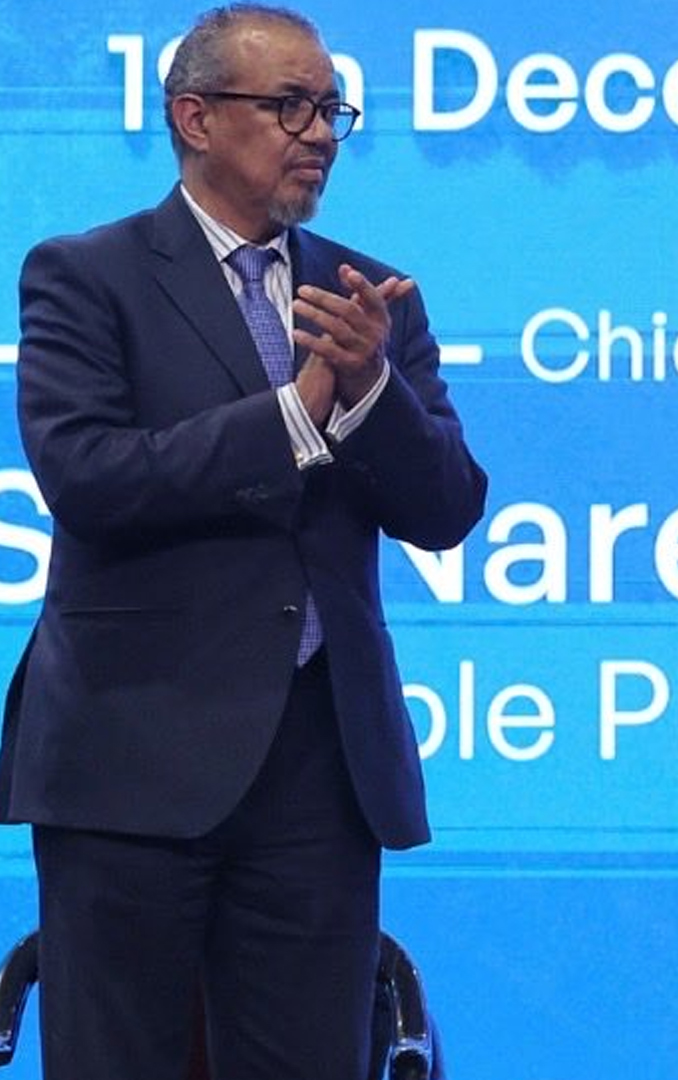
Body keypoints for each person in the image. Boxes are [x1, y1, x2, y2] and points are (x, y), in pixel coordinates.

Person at [1, 5, 487, 1078]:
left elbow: (448, 508)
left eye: (332, 111)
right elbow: (88, 478)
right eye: (290, 106)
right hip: (132, 752)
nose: (320, 134)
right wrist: (295, 417)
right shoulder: (86, 275)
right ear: (195, 118)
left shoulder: (368, 299)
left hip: (320, 765)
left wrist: (369, 391)